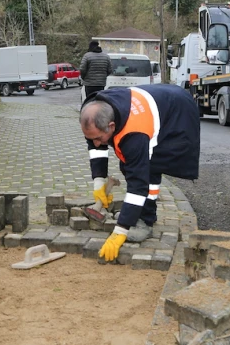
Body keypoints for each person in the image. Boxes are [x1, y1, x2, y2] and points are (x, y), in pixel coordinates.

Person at [80, 84, 200, 261]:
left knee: (150, 168)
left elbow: (138, 184)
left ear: (112, 126)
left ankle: (146, 220)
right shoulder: (93, 110)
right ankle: (136, 214)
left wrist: (120, 231)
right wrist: (99, 181)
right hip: (155, 103)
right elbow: (95, 147)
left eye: (99, 138)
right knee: (129, 165)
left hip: (176, 113)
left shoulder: (135, 134)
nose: (96, 143)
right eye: (92, 138)